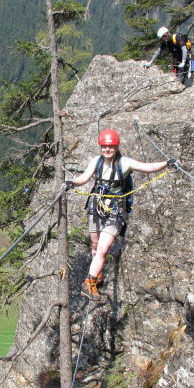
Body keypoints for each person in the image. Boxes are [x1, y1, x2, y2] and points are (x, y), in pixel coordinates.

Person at [67, 129, 175, 301]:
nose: (107, 149)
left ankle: (90, 282)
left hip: (115, 213)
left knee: (103, 249)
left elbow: (147, 168)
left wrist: (166, 163)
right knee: (95, 246)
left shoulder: (124, 163)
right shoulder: (97, 161)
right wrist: (71, 183)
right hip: (96, 209)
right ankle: (97, 272)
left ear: (116, 146)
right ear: (100, 146)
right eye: (104, 146)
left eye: (110, 146)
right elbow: (84, 178)